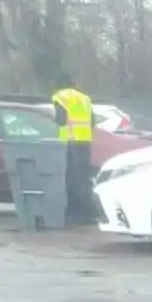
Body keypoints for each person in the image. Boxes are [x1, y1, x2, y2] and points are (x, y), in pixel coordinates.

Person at [50, 77, 94, 223]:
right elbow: (92, 121)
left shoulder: (60, 97)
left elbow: (61, 120)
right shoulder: (85, 98)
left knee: (70, 178)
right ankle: (88, 213)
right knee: (83, 178)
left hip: (70, 141)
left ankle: (73, 213)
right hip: (84, 140)